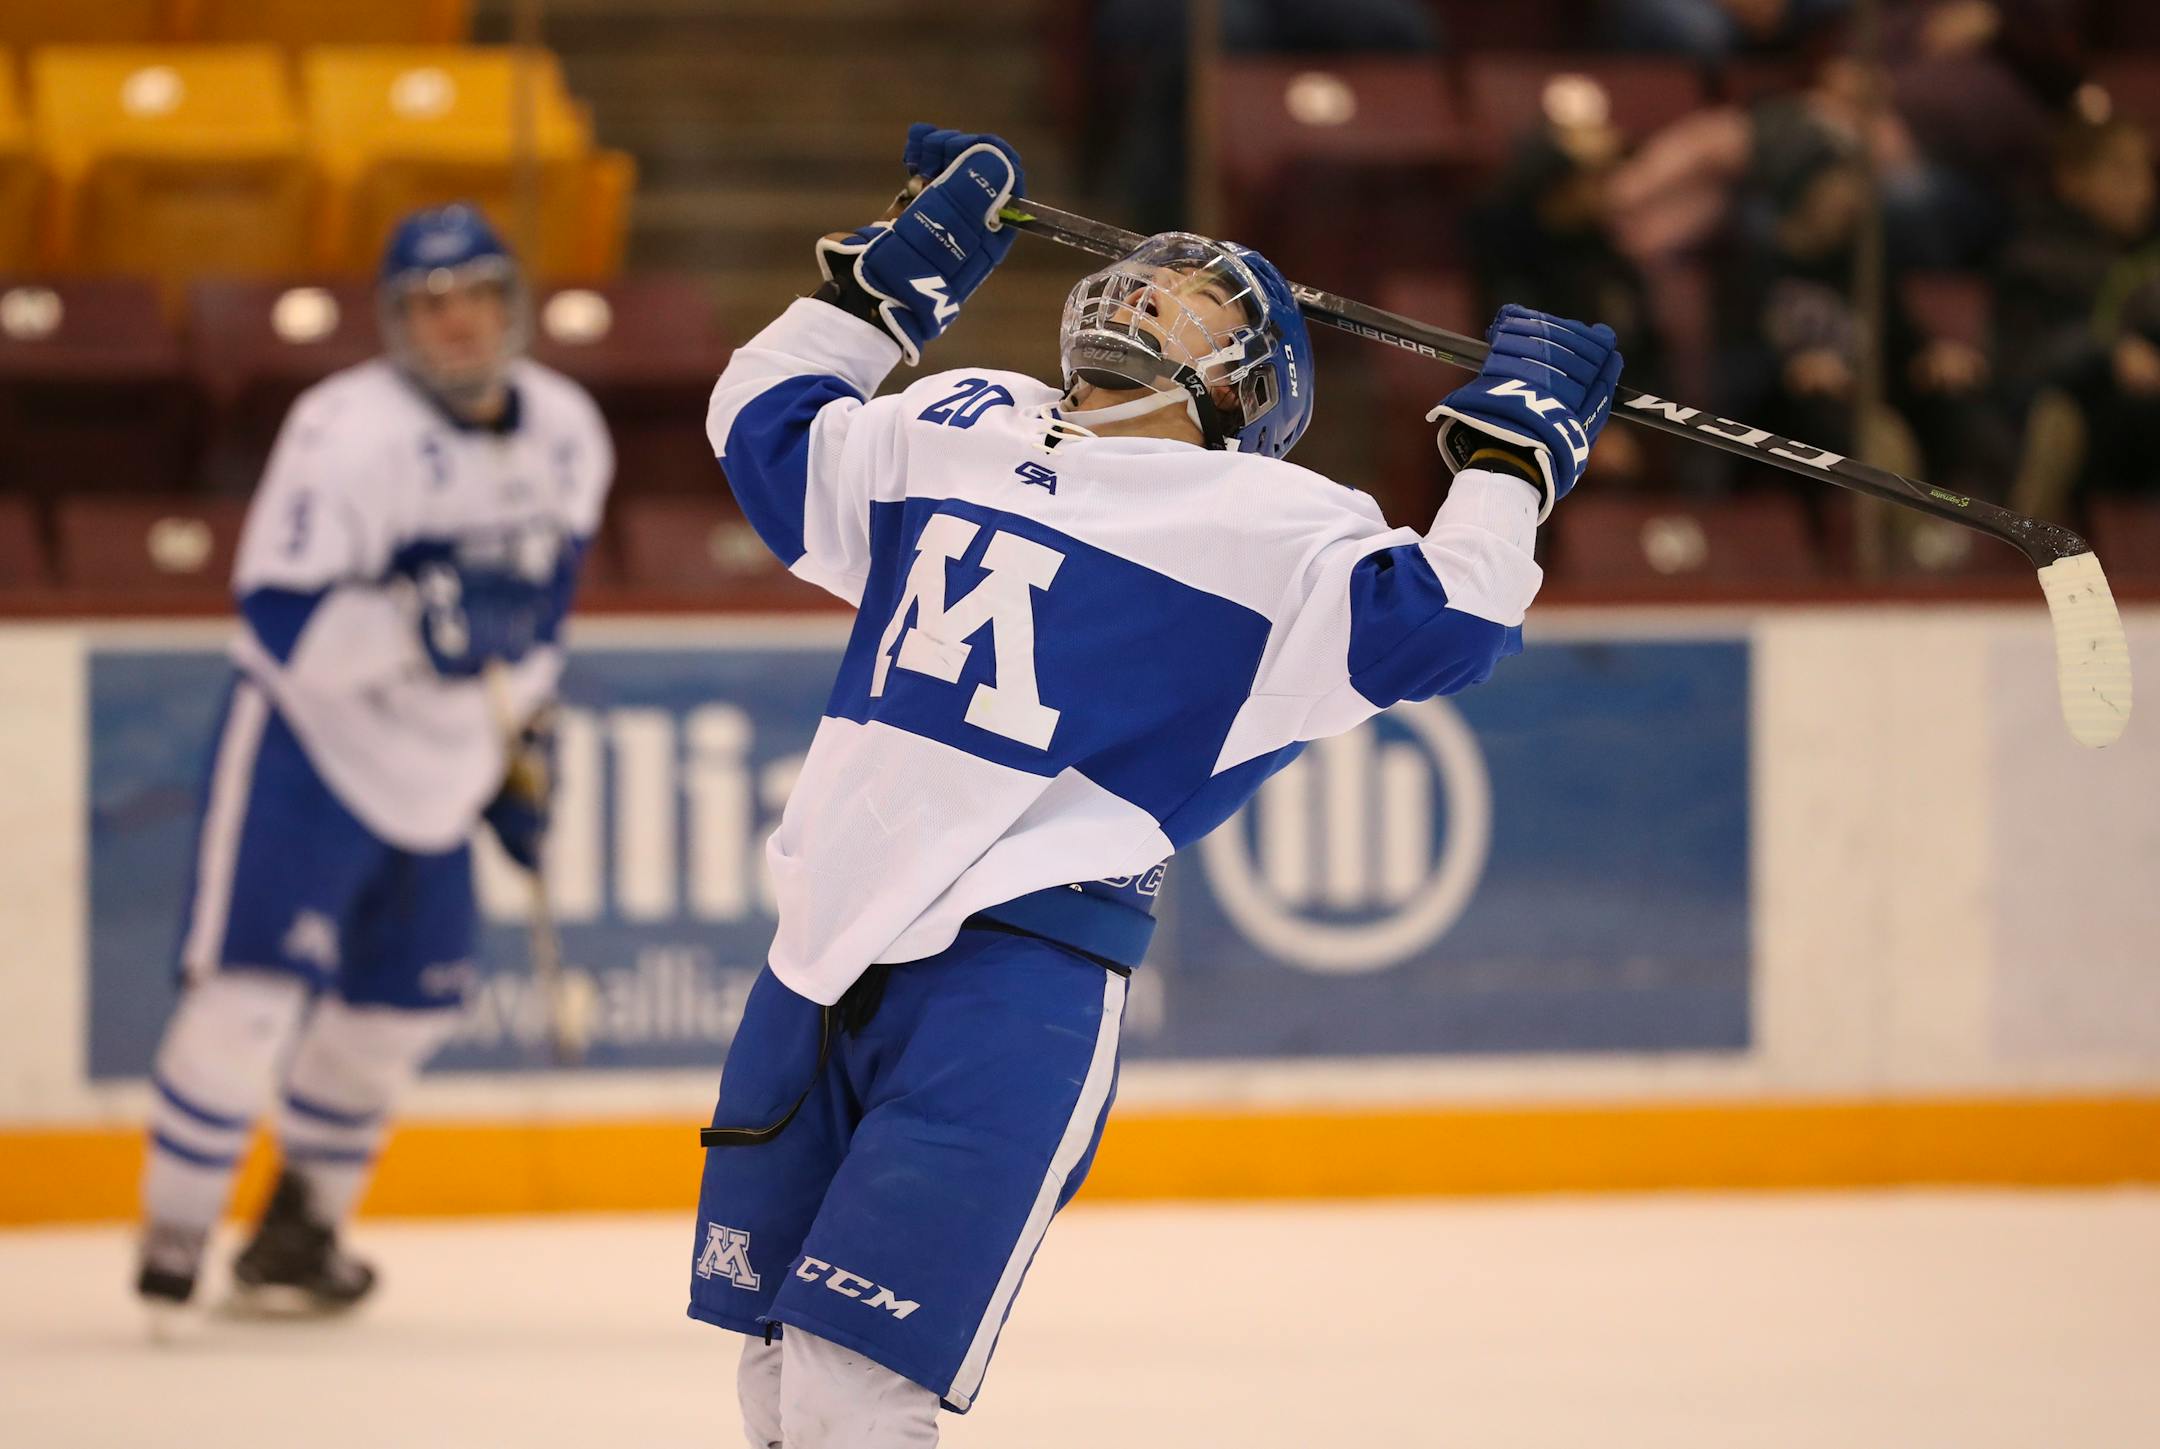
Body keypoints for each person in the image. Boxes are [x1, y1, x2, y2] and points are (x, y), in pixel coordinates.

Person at [687, 124, 1622, 1446]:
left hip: (1012, 982)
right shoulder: (962, 416)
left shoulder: (1273, 524)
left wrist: (1507, 462)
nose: (1148, 288)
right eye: (1152, 273)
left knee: (855, 1387)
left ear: (1246, 388)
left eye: (1199, 297)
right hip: (819, 956)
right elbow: (765, 427)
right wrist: (881, 297)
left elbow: (1442, 624)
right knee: (779, 1377)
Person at [133, 205, 613, 1321]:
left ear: (514, 304)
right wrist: (421, 630)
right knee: (250, 997)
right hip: (314, 748)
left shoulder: (568, 427)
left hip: (445, 773)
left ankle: (299, 1233)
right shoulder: (344, 429)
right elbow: (279, 622)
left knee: (404, 1007)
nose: (455, 324)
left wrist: (518, 749)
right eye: (428, 304)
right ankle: (171, 1239)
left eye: (476, 296)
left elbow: (544, 619)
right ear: (396, 322)